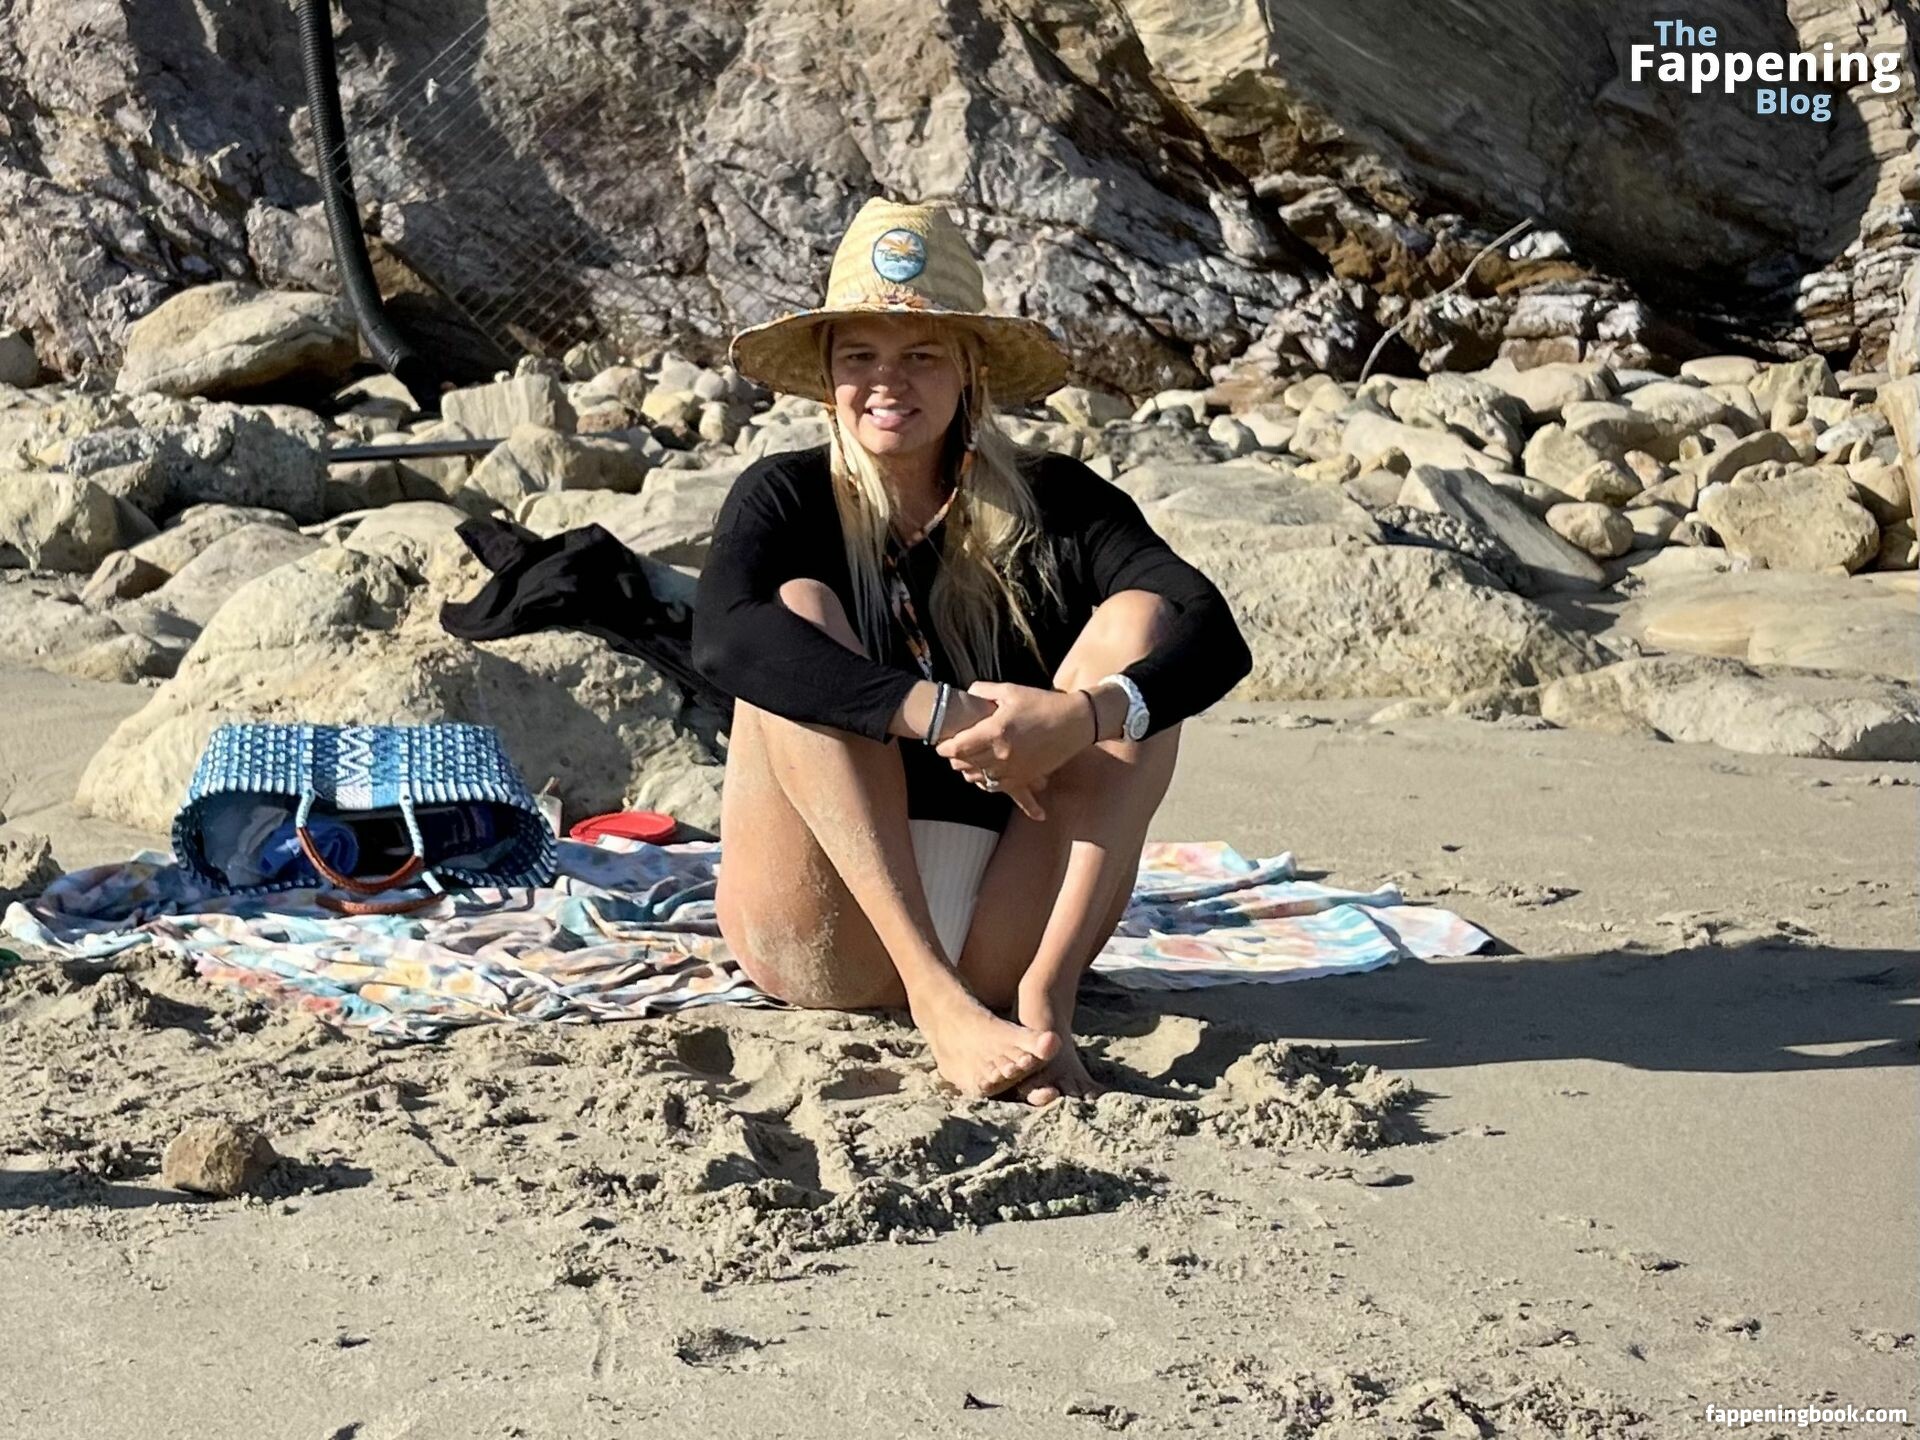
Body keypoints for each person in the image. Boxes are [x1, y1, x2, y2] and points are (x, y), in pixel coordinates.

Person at [692, 197, 1252, 1105]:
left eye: (920, 355)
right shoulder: (786, 495)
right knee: (794, 611)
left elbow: (1211, 630)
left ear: (969, 371)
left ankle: (1047, 999)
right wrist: (939, 713)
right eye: (859, 356)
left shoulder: (1059, 500)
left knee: (1141, 630)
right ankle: (935, 999)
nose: (887, 382)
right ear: (828, 375)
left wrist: (1080, 718)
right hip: (830, 928)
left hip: (1012, 928)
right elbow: (722, 637)